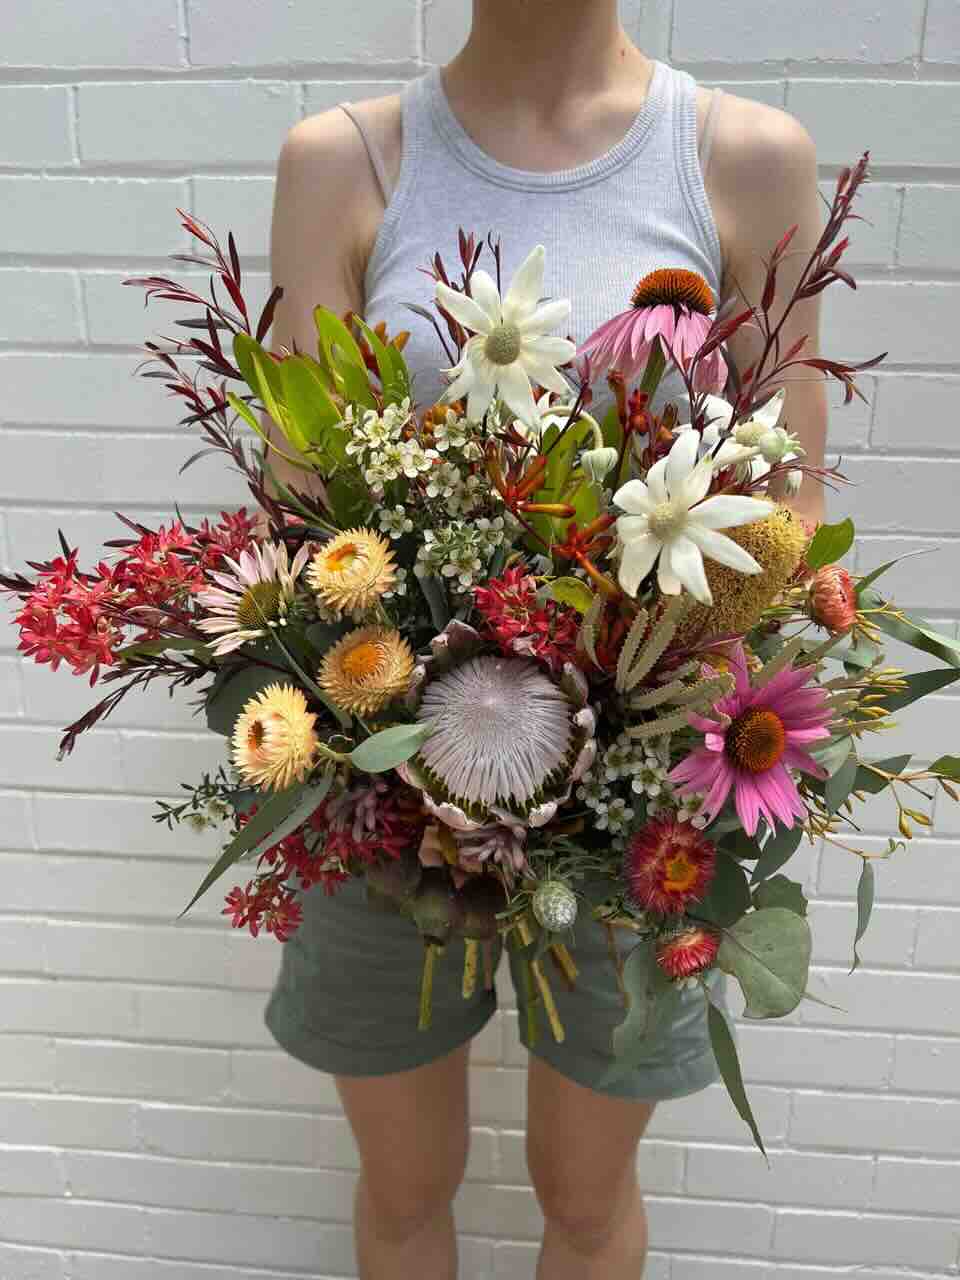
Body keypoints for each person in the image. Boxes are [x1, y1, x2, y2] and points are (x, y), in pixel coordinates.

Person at [256, 3, 828, 1277]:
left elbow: (791, 505)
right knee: (406, 1184)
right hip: (385, 775)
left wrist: (653, 691)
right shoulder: (341, 161)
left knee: (584, 1190)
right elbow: (299, 504)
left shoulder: (742, 158)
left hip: (640, 803)